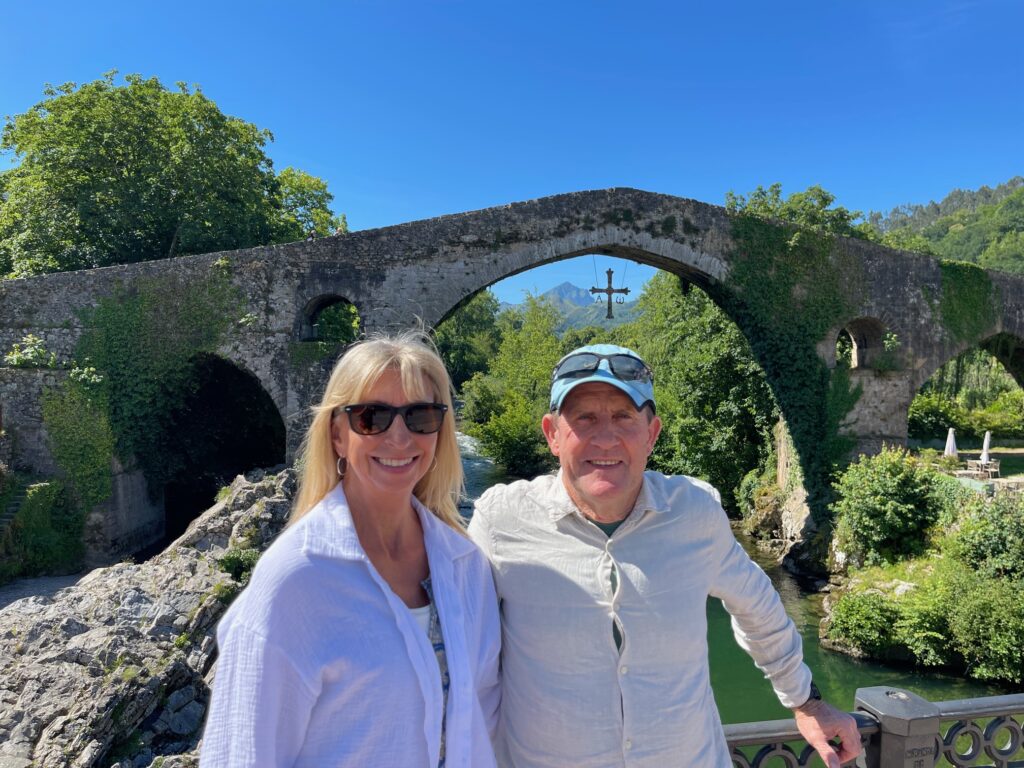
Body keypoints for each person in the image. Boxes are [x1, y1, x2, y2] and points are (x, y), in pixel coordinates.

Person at [468, 343, 860, 768]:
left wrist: (807, 701)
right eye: (585, 418)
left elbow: (758, 607)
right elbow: (456, 642)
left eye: (623, 417)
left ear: (652, 434)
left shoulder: (694, 513)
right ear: (553, 435)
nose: (605, 437)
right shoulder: (502, 519)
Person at [201, 331, 500, 767]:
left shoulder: (466, 566)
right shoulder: (296, 577)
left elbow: (483, 721)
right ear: (338, 435)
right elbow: (241, 754)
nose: (399, 437)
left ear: (440, 431)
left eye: (420, 416)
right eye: (372, 417)